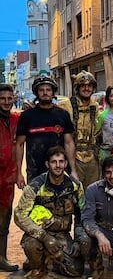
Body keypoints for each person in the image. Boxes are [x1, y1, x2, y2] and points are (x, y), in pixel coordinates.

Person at [14, 146, 88, 279]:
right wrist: (45, 237)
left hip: (62, 235)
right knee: (31, 245)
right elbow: (19, 216)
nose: (58, 165)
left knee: (76, 270)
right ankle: (38, 268)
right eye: (54, 162)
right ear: (48, 164)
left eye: (61, 162)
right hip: (39, 233)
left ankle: (51, 259)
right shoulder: (35, 186)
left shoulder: (75, 186)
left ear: (66, 163)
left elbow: (82, 214)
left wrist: (77, 239)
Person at [16, 76, 77, 189]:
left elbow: (69, 143)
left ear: (53, 92)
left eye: (48, 90)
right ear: (36, 93)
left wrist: (73, 170)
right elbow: (19, 144)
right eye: (41, 90)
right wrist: (18, 173)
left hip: (59, 170)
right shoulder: (26, 116)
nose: (45, 93)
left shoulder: (63, 115)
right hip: (34, 171)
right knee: (36, 205)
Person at [60, 70, 100, 189]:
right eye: (83, 85)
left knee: (92, 192)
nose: (86, 89)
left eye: (89, 86)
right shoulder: (67, 104)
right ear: (77, 88)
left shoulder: (95, 106)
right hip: (73, 157)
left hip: (92, 157)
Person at [0, 84, 20, 272]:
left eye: (9, 98)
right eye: (2, 99)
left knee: (4, 220)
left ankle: (2, 258)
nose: (6, 102)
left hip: (8, 178)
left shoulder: (16, 119)